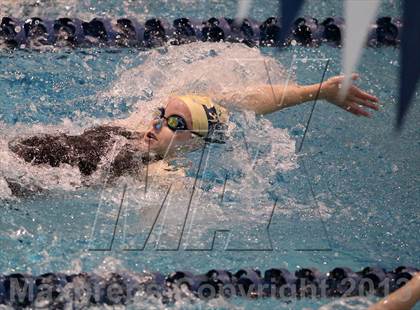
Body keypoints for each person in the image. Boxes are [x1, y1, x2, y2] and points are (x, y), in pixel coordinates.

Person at [7, 73, 378, 195]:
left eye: (174, 124)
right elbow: (246, 101)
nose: (157, 124)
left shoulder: (156, 170)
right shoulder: (146, 130)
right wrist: (315, 91)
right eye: (162, 115)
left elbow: (175, 206)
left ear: (195, 140)